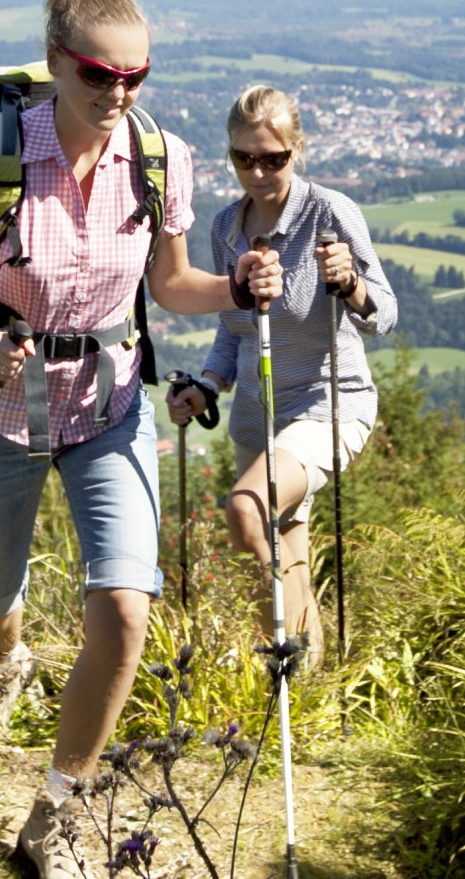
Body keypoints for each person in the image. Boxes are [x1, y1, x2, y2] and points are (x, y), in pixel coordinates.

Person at [0, 0, 282, 876]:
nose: (117, 94)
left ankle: (58, 809)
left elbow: (170, 284)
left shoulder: (160, 156)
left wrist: (234, 286)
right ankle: (6, 659)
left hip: (110, 409)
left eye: (135, 77)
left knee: (124, 605)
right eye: (97, 75)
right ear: (55, 63)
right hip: (0, 410)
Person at [169, 84, 395, 673]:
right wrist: (208, 386)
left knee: (248, 508)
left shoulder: (331, 213)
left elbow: (385, 316)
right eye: (245, 158)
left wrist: (350, 285)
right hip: (256, 415)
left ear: (298, 150)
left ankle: (281, 663)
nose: (258, 170)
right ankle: (310, 688)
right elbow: (233, 326)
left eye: (273, 157)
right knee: (289, 552)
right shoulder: (226, 228)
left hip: (328, 403)